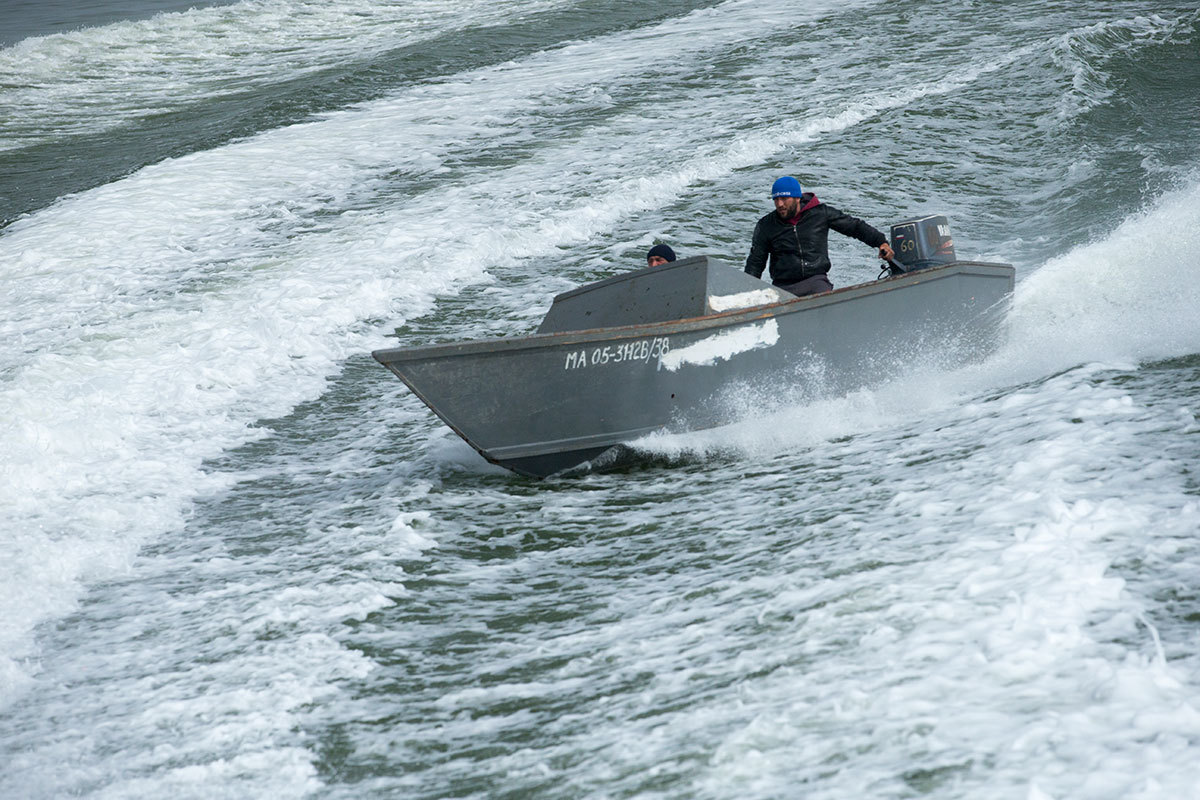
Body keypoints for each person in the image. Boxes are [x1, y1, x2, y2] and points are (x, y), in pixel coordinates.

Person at [745, 176, 895, 296]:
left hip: (815, 280)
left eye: (784, 199)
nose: (779, 204)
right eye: (776, 199)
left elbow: (854, 226)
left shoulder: (820, 213)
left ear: (797, 198)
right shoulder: (766, 225)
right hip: (783, 286)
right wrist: (746, 293)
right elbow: (755, 263)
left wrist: (880, 242)